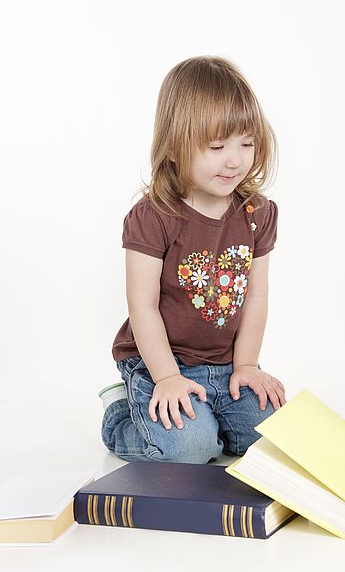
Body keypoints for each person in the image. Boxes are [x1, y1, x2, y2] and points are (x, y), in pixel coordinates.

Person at [100, 55, 286, 464]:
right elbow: (142, 306)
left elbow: (256, 297)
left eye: (247, 143)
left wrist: (248, 365)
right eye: (217, 146)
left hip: (226, 365)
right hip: (159, 363)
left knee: (272, 439)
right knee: (191, 450)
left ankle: (210, 415)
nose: (234, 160)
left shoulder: (258, 213)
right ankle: (122, 415)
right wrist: (167, 379)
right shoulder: (154, 217)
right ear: (171, 148)